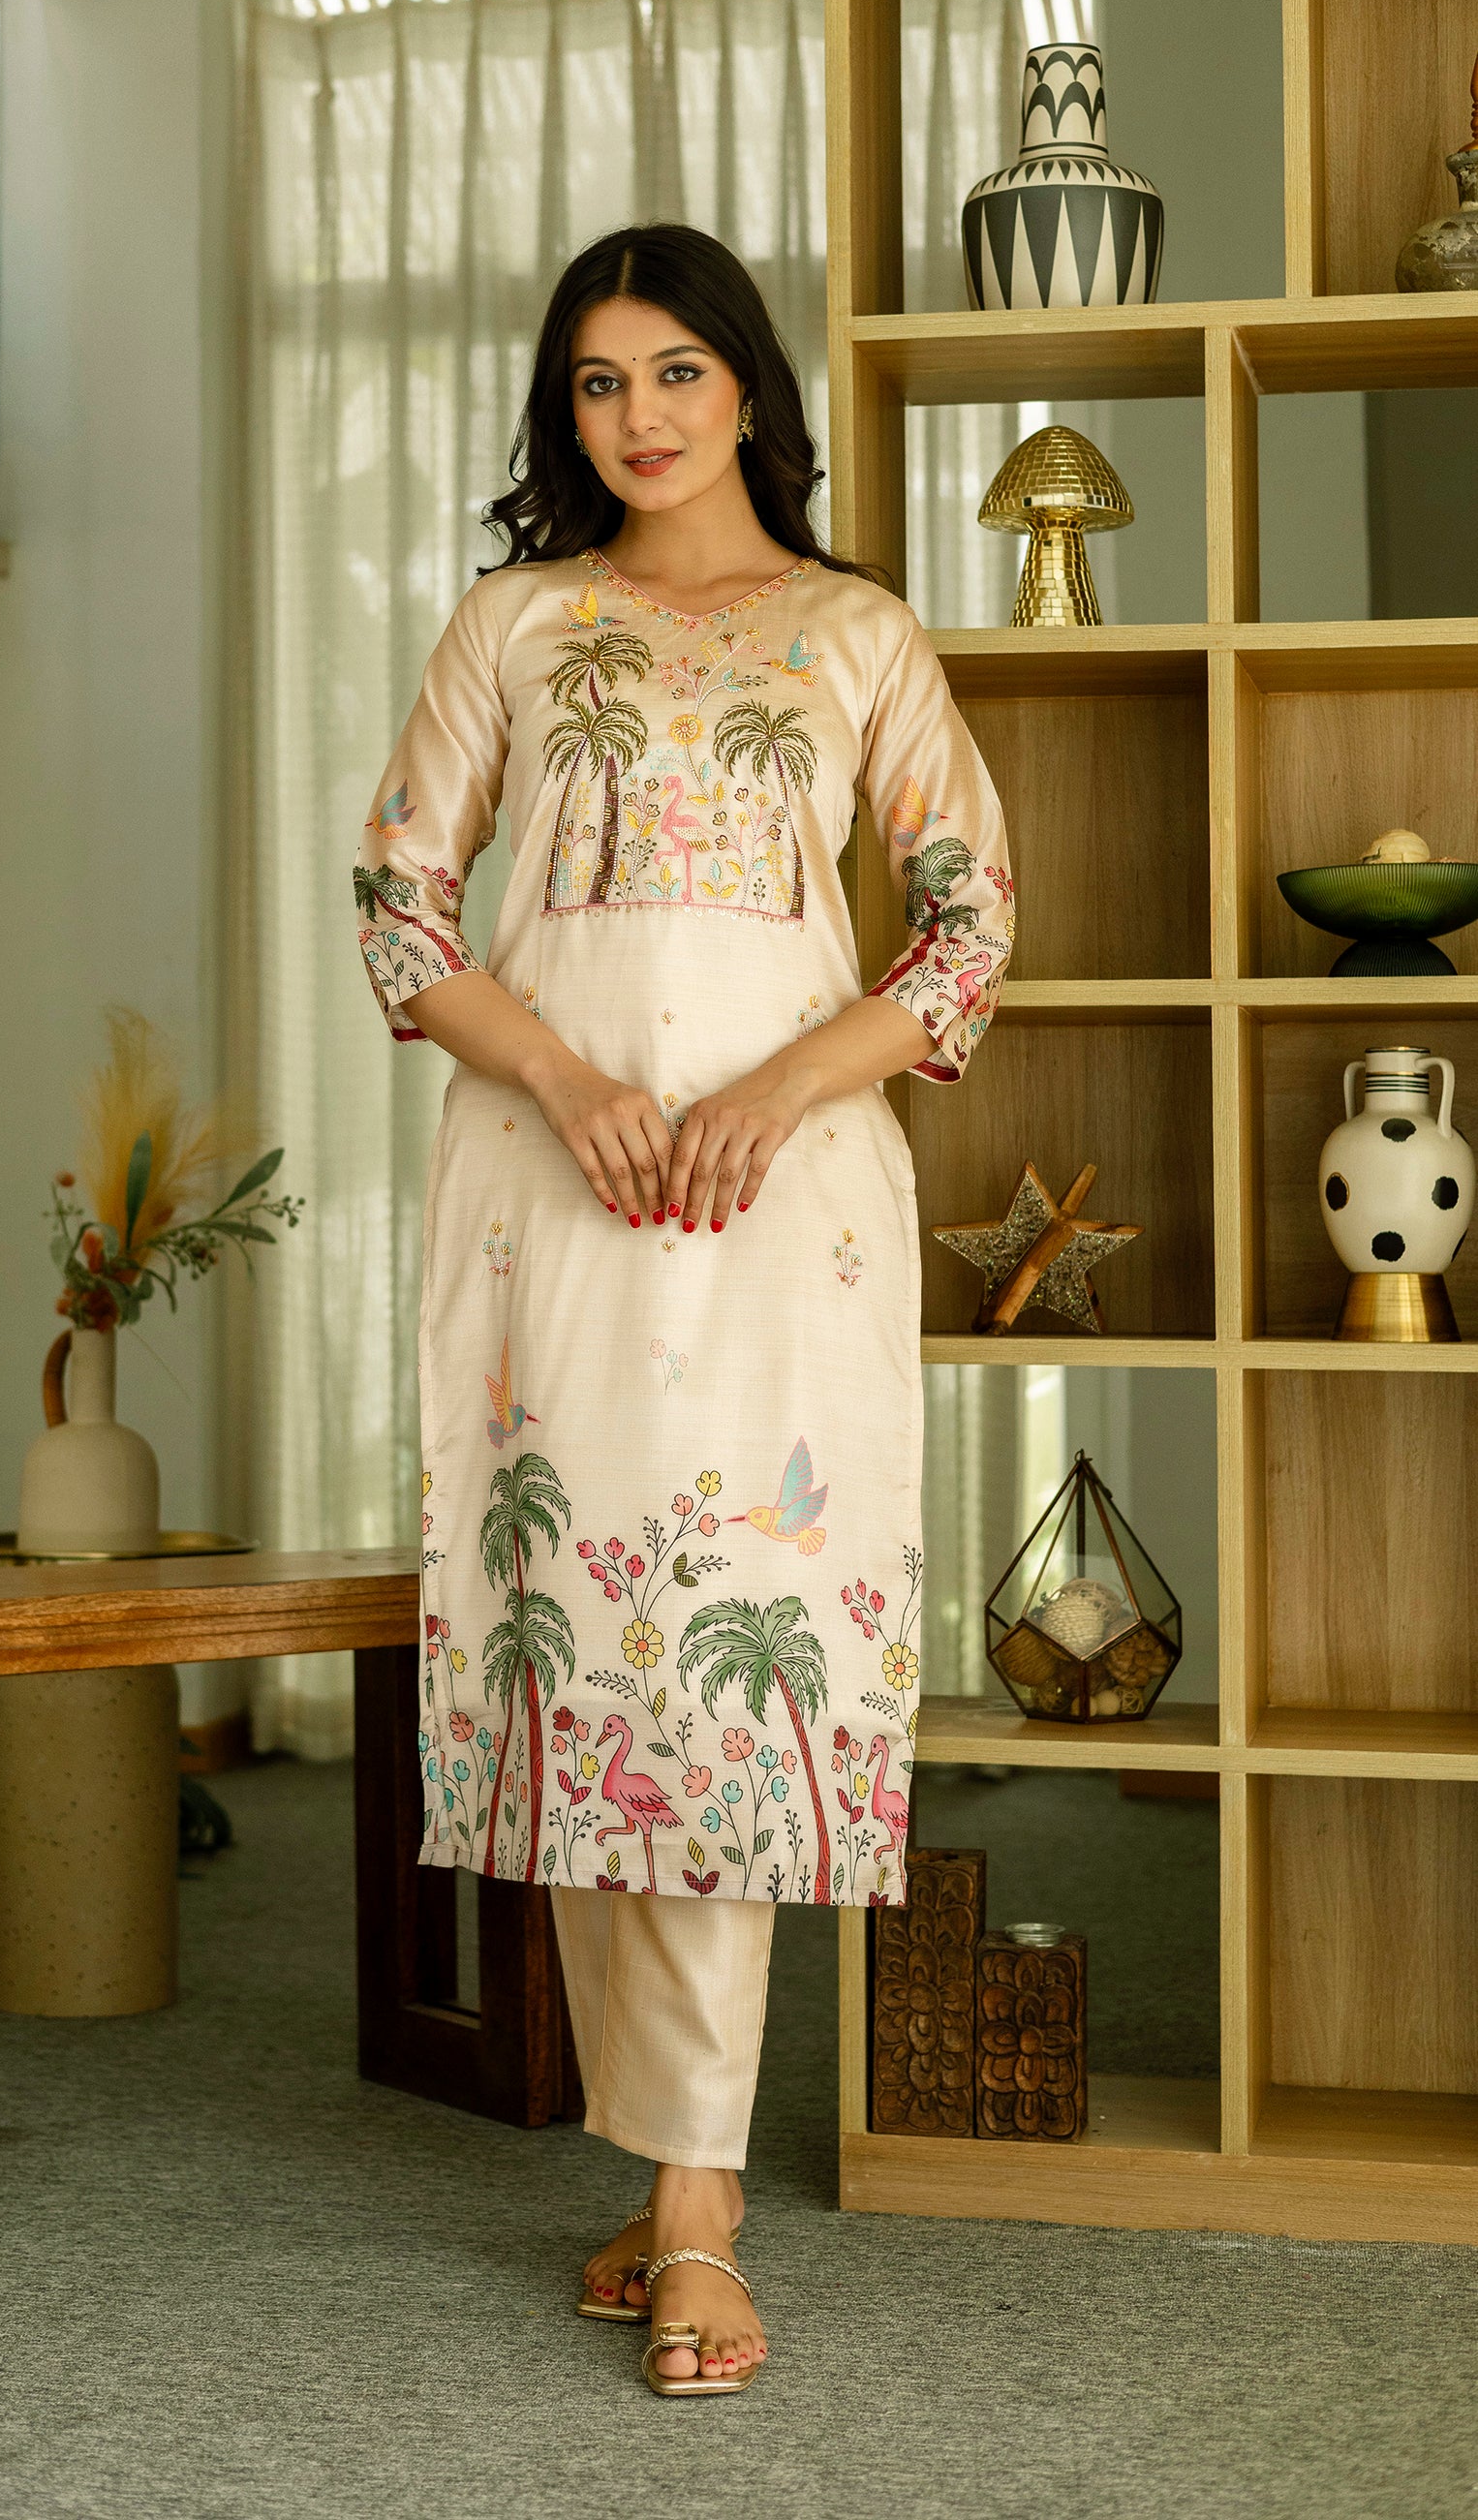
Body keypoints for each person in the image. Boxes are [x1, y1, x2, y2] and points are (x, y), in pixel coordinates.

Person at [352, 222, 1013, 2397]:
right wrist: (564, 1076)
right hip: (555, 1194)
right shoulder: (512, 627)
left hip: (785, 1208)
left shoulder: (857, 634)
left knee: (732, 1659)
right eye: (597, 382)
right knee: (583, 1653)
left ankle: (704, 2206)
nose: (635, 414)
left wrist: (773, 1092)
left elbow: (967, 923)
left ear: (749, 388)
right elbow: (398, 906)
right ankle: (675, 2171)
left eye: (675, 371)